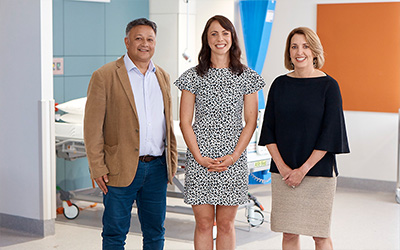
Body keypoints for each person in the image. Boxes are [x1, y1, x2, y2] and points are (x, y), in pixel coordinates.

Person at [84, 18, 177, 250]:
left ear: (155, 43)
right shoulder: (104, 76)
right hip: (118, 168)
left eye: (150, 39)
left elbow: (166, 123)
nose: (144, 44)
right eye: (138, 38)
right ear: (127, 42)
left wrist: (171, 162)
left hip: (156, 169)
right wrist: (97, 167)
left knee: (155, 232)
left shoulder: (162, 77)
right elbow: (92, 127)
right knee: (115, 233)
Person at [174, 15, 265, 250]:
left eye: (225, 33)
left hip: (232, 159)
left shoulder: (247, 77)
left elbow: (251, 121)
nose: (220, 38)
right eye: (213, 33)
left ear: (232, 37)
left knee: (226, 225)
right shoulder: (192, 76)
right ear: (206, 39)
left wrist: (234, 156)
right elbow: (185, 122)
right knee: (204, 224)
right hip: (200, 157)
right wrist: (199, 156)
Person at [258, 27, 350, 250]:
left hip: (318, 173)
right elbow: (268, 129)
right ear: (289, 53)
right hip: (284, 173)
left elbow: (331, 134)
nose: (300, 51)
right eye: (294, 46)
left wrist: (302, 170)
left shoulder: (329, 86)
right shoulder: (279, 85)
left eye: (305, 46)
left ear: (314, 51)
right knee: (289, 233)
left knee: (320, 235)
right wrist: (283, 168)